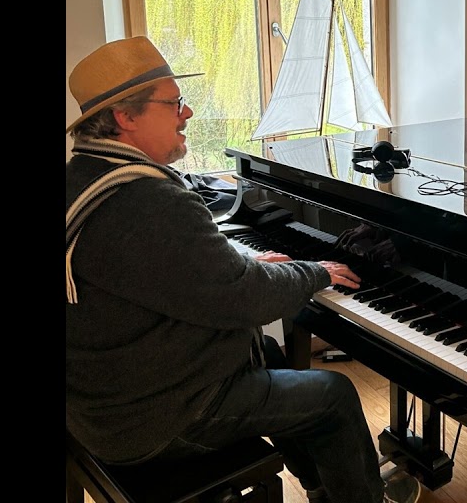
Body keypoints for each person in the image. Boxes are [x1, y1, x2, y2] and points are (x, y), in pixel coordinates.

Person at [65, 37, 420, 503]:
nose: (186, 113)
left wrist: (244, 265)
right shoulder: (147, 201)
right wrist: (315, 272)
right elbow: (243, 300)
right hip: (150, 422)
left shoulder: (86, 178)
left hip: (104, 401)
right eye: (173, 104)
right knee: (331, 395)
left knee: (269, 353)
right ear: (124, 118)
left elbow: (179, 276)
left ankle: (323, 488)